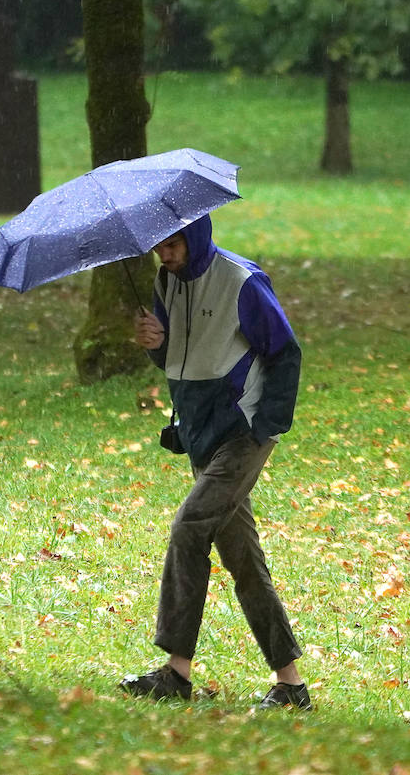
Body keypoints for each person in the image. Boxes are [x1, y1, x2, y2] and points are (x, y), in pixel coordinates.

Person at [121, 214, 310, 710]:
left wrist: (266, 426)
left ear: (195, 233)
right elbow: (179, 357)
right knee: (242, 557)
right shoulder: (166, 282)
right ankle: (291, 685)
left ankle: (175, 671)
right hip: (199, 434)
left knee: (189, 527)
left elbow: (286, 353)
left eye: (173, 243)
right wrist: (155, 343)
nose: (164, 253)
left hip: (243, 435)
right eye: (158, 245)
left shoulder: (242, 281)